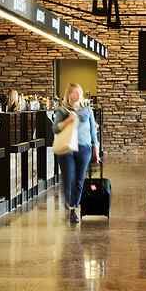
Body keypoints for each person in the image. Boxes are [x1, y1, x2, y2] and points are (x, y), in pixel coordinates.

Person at [48, 83, 98, 225]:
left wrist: (96, 148)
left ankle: (74, 207)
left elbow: (93, 130)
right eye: (73, 93)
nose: (76, 96)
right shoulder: (62, 111)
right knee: (69, 178)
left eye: (78, 93)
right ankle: (70, 206)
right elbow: (55, 129)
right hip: (66, 149)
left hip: (84, 148)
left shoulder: (87, 110)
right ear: (68, 95)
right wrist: (68, 121)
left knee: (79, 180)